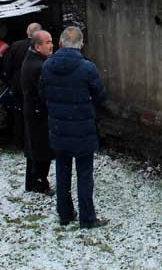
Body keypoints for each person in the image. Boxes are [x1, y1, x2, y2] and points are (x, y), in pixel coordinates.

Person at [40, 26, 108, 229]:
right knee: (84, 175)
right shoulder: (87, 68)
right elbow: (101, 96)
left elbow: (43, 94)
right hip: (83, 130)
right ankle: (87, 218)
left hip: (59, 128)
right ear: (81, 45)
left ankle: (65, 213)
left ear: (60, 43)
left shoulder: (47, 66)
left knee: (62, 172)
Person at [20, 30, 54, 194]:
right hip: (38, 114)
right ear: (38, 46)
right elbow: (44, 93)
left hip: (33, 112)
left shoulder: (31, 59)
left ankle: (32, 182)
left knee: (34, 149)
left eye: (51, 41)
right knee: (41, 149)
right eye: (48, 42)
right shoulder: (39, 65)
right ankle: (40, 183)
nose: (51, 45)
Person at [3, 23, 42, 146]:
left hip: (18, 85)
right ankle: (33, 140)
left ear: (27, 32)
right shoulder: (39, 46)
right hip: (34, 85)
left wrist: (10, 80)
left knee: (19, 115)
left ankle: (19, 140)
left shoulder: (16, 46)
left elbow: (8, 65)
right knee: (35, 113)